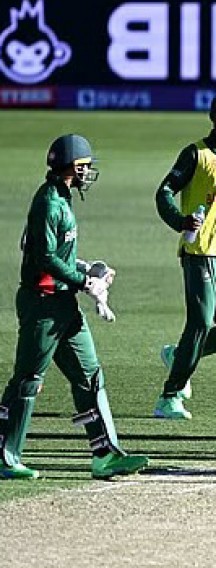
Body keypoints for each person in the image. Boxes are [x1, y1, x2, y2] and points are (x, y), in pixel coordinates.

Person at [0, 134, 149, 480]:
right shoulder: (49, 202)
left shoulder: (62, 199)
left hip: (63, 304)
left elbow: (58, 254)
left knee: (89, 376)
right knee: (27, 381)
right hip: (43, 306)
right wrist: (85, 282)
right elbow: (43, 256)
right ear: (69, 165)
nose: (87, 172)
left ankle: (105, 455)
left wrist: (86, 269)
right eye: (84, 166)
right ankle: (6, 455)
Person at [153, 90, 216, 420]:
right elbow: (164, 192)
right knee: (199, 322)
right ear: (213, 116)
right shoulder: (195, 154)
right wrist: (179, 221)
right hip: (201, 251)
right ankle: (169, 396)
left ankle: (179, 355)